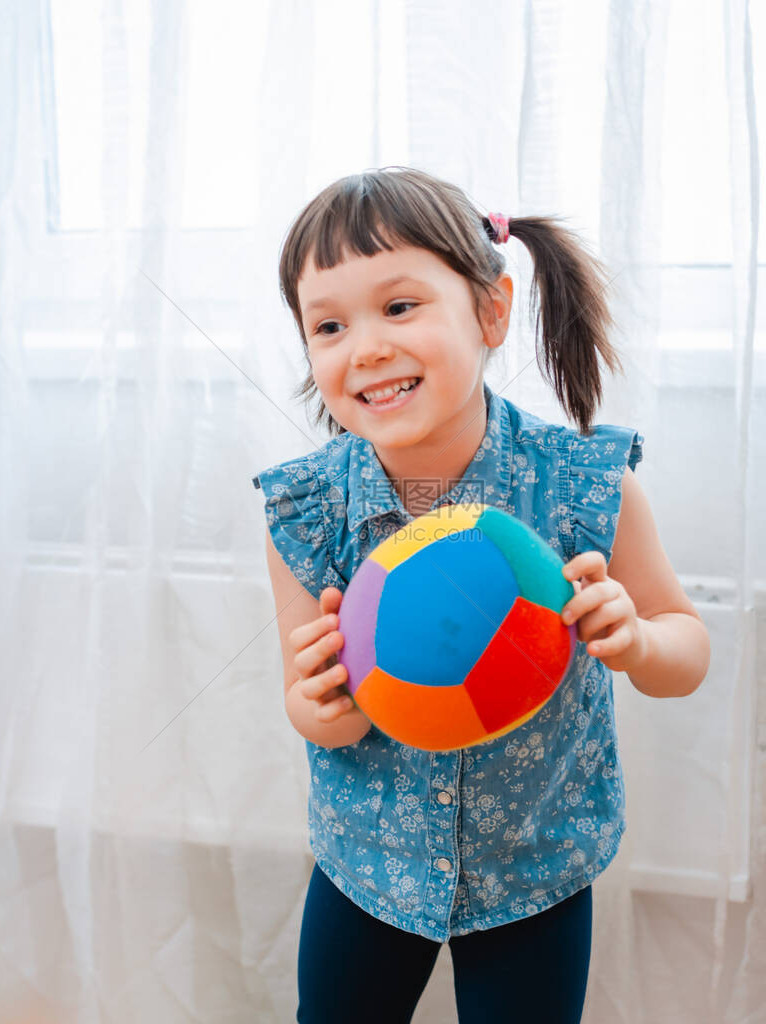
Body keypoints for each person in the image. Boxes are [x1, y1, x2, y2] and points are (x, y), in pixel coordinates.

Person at [252, 166, 710, 1024]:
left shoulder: (583, 489)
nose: (366, 348)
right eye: (329, 325)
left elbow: (685, 649)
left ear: (491, 311)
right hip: (370, 868)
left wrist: (638, 641)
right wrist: (323, 698)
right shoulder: (308, 514)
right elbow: (317, 715)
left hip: (534, 872)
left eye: (399, 307)